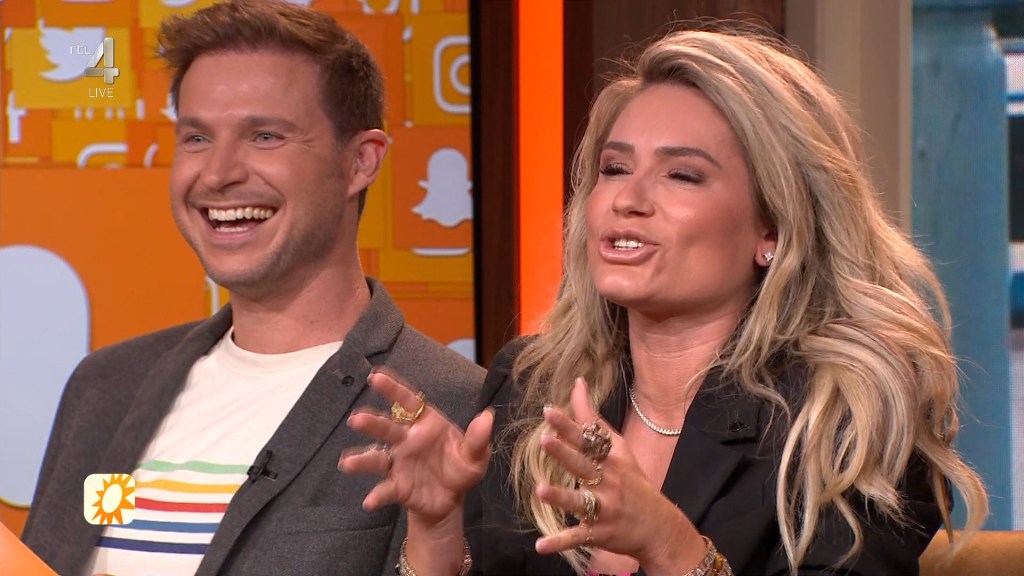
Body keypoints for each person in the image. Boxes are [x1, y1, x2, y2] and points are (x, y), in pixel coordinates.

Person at [339, 26, 990, 576]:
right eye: (615, 169)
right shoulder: (533, 386)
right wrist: (436, 529)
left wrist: (669, 546)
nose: (628, 199)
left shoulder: (849, 414)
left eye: (681, 175)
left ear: (772, 228)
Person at [21, 1, 484, 575]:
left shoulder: (455, 407)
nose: (218, 174)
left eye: (264, 136)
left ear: (361, 162)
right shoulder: (104, 388)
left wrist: (436, 541)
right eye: (196, 138)